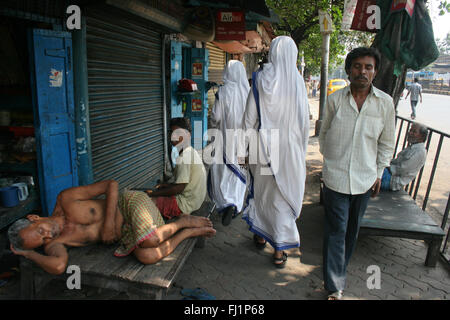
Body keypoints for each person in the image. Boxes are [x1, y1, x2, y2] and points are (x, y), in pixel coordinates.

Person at [8, 180, 216, 274]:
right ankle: (188, 232)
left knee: (150, 240)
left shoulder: (66, 199)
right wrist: (28, 255)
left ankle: (181, 222)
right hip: (127, 233)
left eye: (40, 231)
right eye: (43, 240)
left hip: (129, 203)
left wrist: (108, 223)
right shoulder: (56, 243)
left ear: (34, 217)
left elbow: (111, 185)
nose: (48, 236)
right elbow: (59, 266)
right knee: (148, 256)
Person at [319, 47, 396, 300]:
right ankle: (334, 286)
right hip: (336, 178)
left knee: (351, 231)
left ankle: (338, 271)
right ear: (349, 69)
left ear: (375, 72)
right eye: (357, 66)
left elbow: (386, 143)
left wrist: (378, 173)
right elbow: (324, 135)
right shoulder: (335, 100)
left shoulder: (385, 103)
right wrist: (330, 162)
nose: (362, 71)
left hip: (364, 180)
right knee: (335, 230)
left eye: (368, 67)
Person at [241, 36, 310, 268]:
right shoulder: (299, 82)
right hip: (290, 151)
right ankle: (279, 252)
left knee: (263, 195)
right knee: (282, 199)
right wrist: (301, 152)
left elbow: (249, 119)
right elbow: (304, 124)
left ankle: (261, 234)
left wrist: (242, 148)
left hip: (263, 149)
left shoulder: (261, 79)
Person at [208, 60, 250, 226]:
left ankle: (225, 202)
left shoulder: (223, 92)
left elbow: (216, 117)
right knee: (240, 171)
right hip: (244, 143)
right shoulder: (248, 92)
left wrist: (213, 125)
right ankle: (236, 203)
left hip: (224, 141)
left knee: (222, 170)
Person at [146, 117, 207, 220]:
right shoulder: (191, 151)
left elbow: (178, 188)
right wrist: (166, 185)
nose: (174, 137)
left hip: (184, 205)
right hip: (195, 201)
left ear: (188, 135)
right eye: (172, 133)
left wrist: (154, 194)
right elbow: (183, 182)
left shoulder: (184, 157)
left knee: (146, 202)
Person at [381, 123, 428, 191]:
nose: (410, 133)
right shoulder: (413, 147)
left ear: (422, 136)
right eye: (410, 130)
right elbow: (396, 162)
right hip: (390, 174)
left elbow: (401, 169)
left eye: (414, 132)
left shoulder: (419, 152)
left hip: (392, 180)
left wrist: (385, 166)